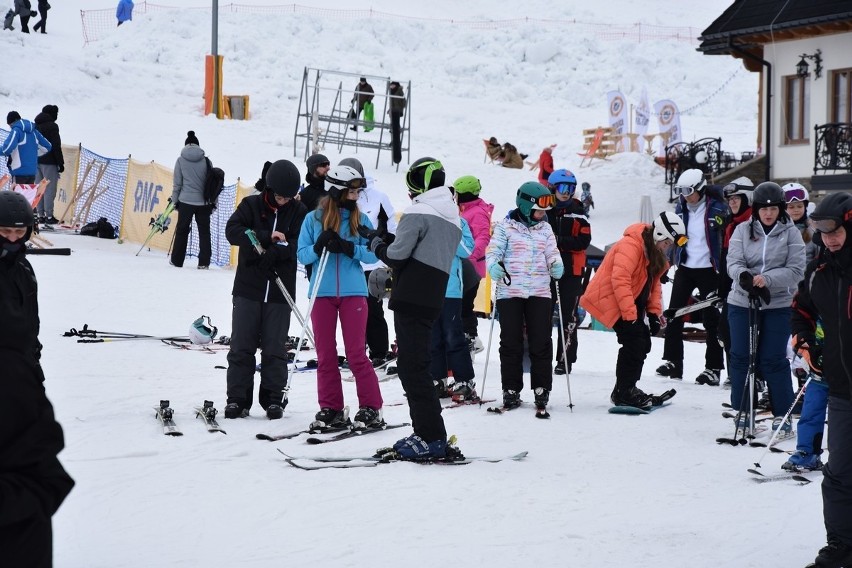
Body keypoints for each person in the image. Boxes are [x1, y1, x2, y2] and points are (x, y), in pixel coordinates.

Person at [361, 157, 462, 459]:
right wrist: (390, 240)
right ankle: (429, 433)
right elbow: (422, 248)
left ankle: (430, 436)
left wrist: (376, 245)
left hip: (411, 296)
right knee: (416, 365)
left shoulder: (418, 210)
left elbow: (397, 255)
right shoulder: (452, 214)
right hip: (432, 297)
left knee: (411, 368)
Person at [0, 190, 75, 566]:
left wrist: (33, 370)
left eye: (19, 232)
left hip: (21, 383)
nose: (12, 240)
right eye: (4, 232)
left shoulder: (24, 270)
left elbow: (30, 328)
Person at [296, 165, 385, 431]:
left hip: (353, 292)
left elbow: (372, 255)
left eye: (358, 191)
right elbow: (302, 256)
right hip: (321, 292)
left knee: (357, 353)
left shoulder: (361, 221)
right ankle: (331, 407)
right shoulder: (313, 219)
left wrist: (348, 248)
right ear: (336, 191)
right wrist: (318, 245)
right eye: (352, 191)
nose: (356, 196)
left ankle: (371, 406)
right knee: (325, 355)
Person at [790, 191, 852, 568]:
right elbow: (801, 310)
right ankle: (841, 545)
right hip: (842, 388)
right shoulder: (819, 271)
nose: (828, 238)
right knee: (840, 471)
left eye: (835, 231)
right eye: (821, 232)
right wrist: (806, 341)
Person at [223, 159, 307, 420]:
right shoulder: (251, 204)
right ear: (270, 190)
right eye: (280, 197)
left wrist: (282, 249)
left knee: (275, 347)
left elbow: (301, 242)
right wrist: (264, 237)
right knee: (242, 345)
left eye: (288, 198)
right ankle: (238, 399)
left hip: (280, 290)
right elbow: (233, 231)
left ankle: (273, 398)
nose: (283, 202)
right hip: (249, 287)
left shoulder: (299, 211)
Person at [580, 212, 686, 409]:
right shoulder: (631, 245)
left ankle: (627, 387)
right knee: (634, 342)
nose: (668, 247)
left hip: (628, 300)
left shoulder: (653, 252)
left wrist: (654, 313)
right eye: (668, 242)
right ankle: (624, 391)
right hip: (610, 298)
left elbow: (653, 285)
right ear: (660, 234)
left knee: (643, 342)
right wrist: (630, 316)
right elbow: (620, 280)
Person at [726, 181, 804, 439]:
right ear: (756, 209)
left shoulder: (790, 233)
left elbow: (796, 270)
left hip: (777, 303)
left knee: (772, 359)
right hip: (742, 301)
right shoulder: (741, 230)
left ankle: (782, 415)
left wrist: (767, 279)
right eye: (763, 208)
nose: (768, 213)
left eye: (773, 208)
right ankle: (743, 410)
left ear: (780, 209)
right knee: (740, 357)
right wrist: (745, 276)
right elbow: (733, 262)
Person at [486, 181, 564, 413]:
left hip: (540, 291)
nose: (543, 214)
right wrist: (493, 266)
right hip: (509, 291)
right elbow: (493, 250)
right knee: (511, 341)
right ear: (525, 205)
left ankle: (541, 387)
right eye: (540, 210)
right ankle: (511, 388)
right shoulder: (505, 227)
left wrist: (556, 263)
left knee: (541, 340)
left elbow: (552, 251)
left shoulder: (545, 229)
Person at [656, 168, 728, 385]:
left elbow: (724, 238)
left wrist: (724, 270)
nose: (685, 195)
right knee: (674, 313)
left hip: (709, 269)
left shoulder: (717, 208)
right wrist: (666, 266)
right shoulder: (681, 208)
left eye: (688, 190)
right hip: (686, 267)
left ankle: (713, 368)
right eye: (681, 191)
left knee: (711, 319)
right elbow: (674, 239)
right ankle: (673, 362)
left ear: (700, 188)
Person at [340, 157, 398, 367]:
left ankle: (379, 351)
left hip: (372, 262)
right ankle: (355, 352)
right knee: (350, 309)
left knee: (373, 309)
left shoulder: (378, 197)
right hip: (349, 262)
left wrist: (384, 248)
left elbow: (391, 226)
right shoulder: (339, 200)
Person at [546, 169, 591, 376]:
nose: (567, 193)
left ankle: (565, 359)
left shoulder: (578, 211)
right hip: (546, 269)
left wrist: (558, 241)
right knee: (543, 314)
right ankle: (542, 356)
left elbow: (583, 241)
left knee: (568, 315)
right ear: (552, 188)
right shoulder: (544, 208)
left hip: (572, 270)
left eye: (571, 189)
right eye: (563, 188)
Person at [432, 216, 476, 401]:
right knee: (433, 337)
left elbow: (466, 250)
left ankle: (464, 380)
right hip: (428, 289)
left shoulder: (458, 222)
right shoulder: (427, 218)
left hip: (451, 289)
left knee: (453, 335)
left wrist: (448, 232)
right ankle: (437, 379)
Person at [718, 177, 754, 388]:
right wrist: (721, 289)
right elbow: (726, 260)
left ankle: (754, 377)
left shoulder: (752, 224)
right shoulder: (731, 225)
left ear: (747, 198)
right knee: (726, 329)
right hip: (732, 289)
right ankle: (735, 374)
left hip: (749, 288)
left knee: (745, 333)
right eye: (729, 199)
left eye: (736, 198)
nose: (731, 203)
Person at [452, 175, 494, 354]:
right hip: (464, 266)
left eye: (458, 193)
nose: (455, 197)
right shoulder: (466, 210)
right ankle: (467, 335)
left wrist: (468, 256)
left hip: (471, 268)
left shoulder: (477, 212)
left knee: (464, 304)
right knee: (460, 304)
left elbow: (483, 237)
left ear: (467, 195)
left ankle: (471, 337)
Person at [169, 131, 213, 269]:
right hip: (204, 203)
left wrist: (174, 201)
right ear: (198, 146)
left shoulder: (180, 160)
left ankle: (177, 261)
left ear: (186, 145)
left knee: (182, 230)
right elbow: (211, 183)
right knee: (204, 232)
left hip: (186, 202)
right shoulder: (207, 161)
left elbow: (177, 184)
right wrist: (212, 202)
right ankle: (204, 263)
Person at [1, 111, 51, 185]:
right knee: (27, 196)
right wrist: (33, 154)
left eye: (10, 125)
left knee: (17, 196)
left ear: (13, 122)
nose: (10, 128)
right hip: (32, 172)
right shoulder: (34, 132)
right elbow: (48, 146)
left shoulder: (16, 131)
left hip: (19, 172)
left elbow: (7, 149)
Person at [34, 105, 64, 224]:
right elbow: (56, 145)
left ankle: (40, 214)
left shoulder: (35, 125)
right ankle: (49, 216)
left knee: (39, 188)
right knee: (49, 189)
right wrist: (60, 163)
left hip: (36, 161)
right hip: (49, 162)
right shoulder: (52, 126)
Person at [388, 80, 406, 164]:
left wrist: (400, 108)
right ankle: (394, 141)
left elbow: (404, 102)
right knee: (393, 128)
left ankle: (395, 142)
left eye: (392, 85)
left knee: (396, 128)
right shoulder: (391, 91)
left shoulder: (399, 91)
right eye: (390, 86)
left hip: (397, 111)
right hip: (393, 111)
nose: (391, 87)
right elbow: (391, 102)